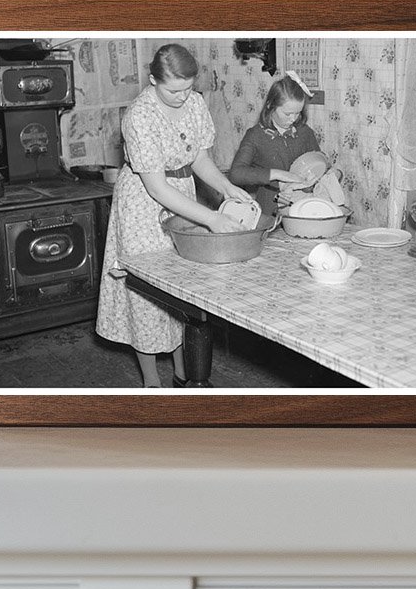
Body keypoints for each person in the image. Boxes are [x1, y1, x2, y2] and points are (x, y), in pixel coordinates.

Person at [96, 43, 254, 388]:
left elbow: (198, 157)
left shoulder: (194, 103)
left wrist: (227, 188)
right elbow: (156, 189)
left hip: (182, 193)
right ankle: (152, 380)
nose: (184, 97)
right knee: (147, 290)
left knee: (182, 288)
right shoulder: (139, 116)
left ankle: (185, 373)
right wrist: (210, 219)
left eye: (189, 88)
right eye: (174, 90)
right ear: (153, 80)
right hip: (143, 204)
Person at [227, 72, 324, 218]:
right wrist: (278, 174)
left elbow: (318, 160)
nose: (293, 119)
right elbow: (236, 174)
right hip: (270, 208)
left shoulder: (304, 132)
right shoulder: (256, 135)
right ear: (270, 106)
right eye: (287, 114)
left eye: (297, 113)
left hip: (301, 204)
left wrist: (325, 173)